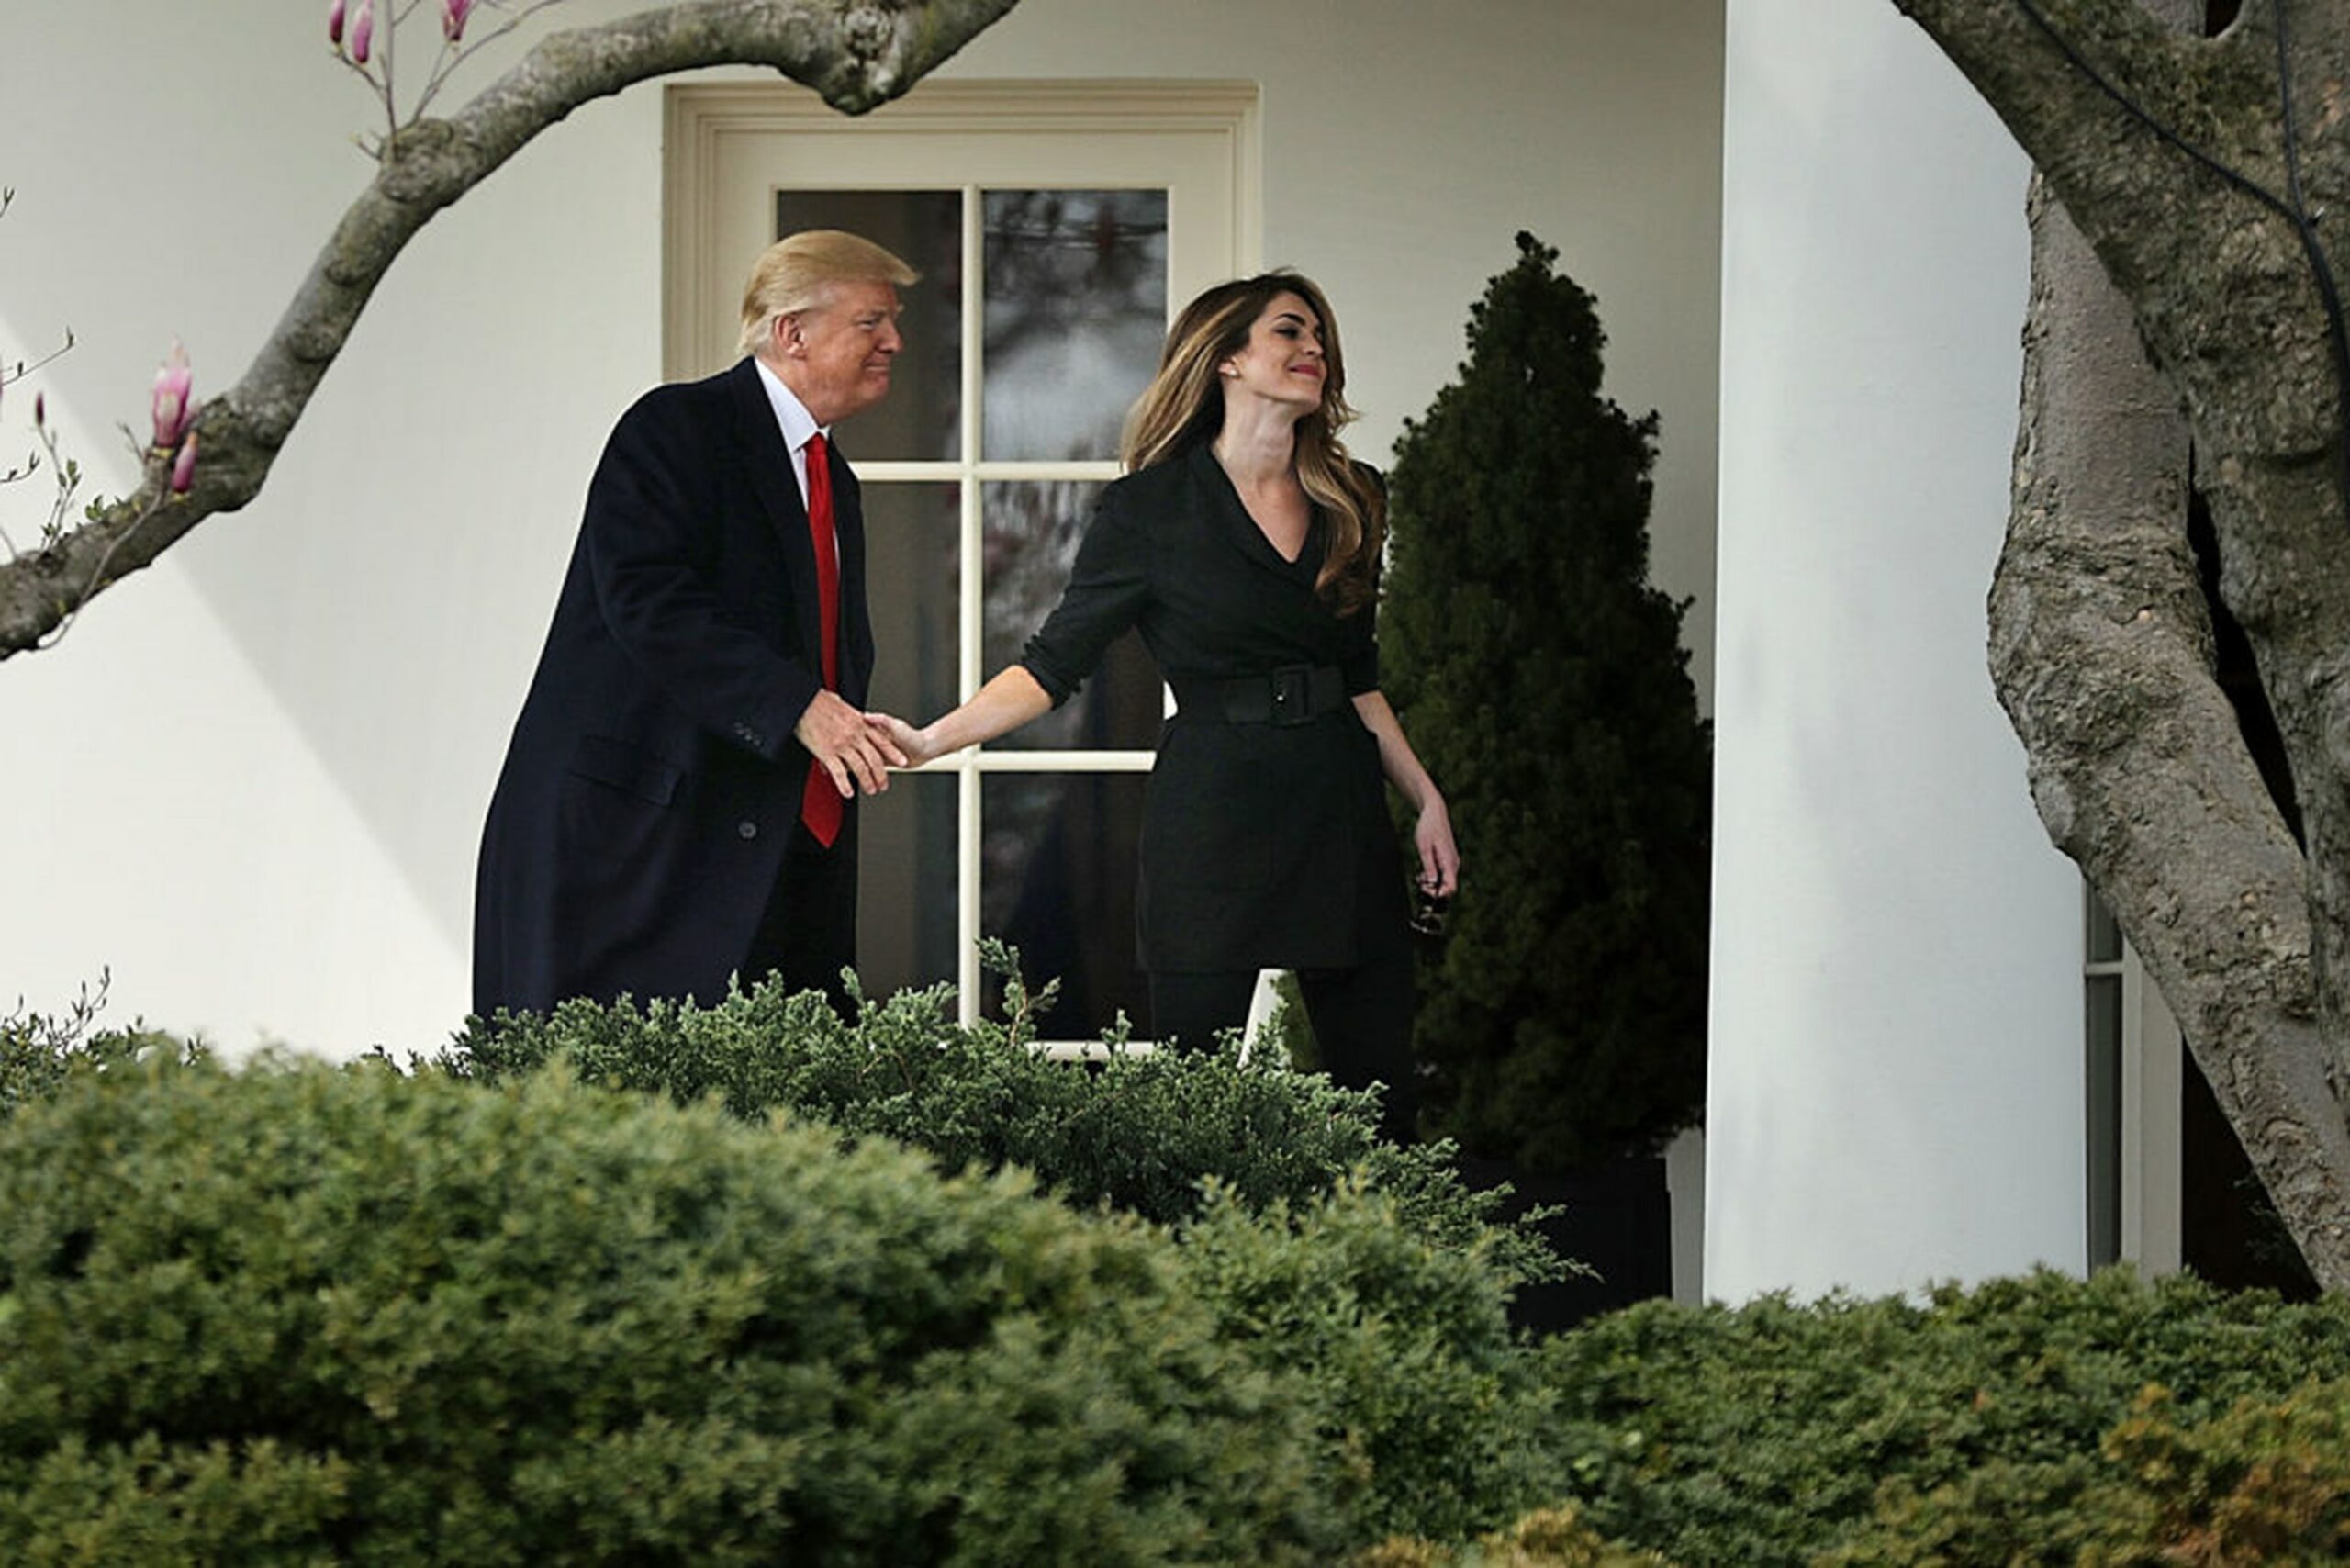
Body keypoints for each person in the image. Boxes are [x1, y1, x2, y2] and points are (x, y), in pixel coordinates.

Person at [873, 272, 1459, 1141]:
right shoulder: (1149, 511)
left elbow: (1359, 675)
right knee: (1192, 1103)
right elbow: (1051, 664)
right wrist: (929, 739)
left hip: (1336, 804)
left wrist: (1426, 800)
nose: (1314, 353)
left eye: (1321, 339)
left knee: (1379, 1100)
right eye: (1290, 334)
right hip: (1214, 813)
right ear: (1226, 358)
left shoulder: (1355, 496)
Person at [474, 230, 914, 1017]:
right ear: (793, 333)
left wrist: (852, 728)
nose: (894, 341)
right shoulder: (677, 428)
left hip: (772, 854)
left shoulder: (829, 474)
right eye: (871, 321)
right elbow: (647, 599)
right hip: (635, 855)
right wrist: (801, 709)